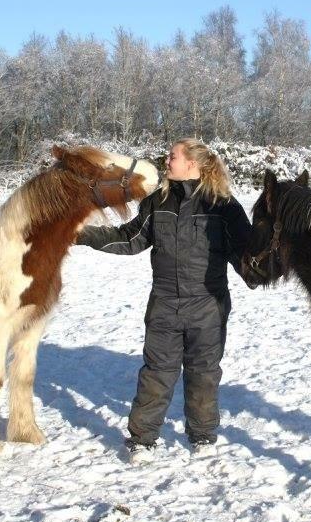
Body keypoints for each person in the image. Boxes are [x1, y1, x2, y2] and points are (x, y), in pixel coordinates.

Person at [76, 139, 251, 461]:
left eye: (172, 156)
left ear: (192, 164)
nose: (166, 161)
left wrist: (264, 268)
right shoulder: (159, 201)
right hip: (164, 303)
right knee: (157, 371)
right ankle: (142, 439)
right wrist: (81, 233)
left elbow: (246, 254)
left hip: (208, 305)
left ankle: (203, 435)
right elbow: (129, 238)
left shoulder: (224, 207)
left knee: (204, 371)